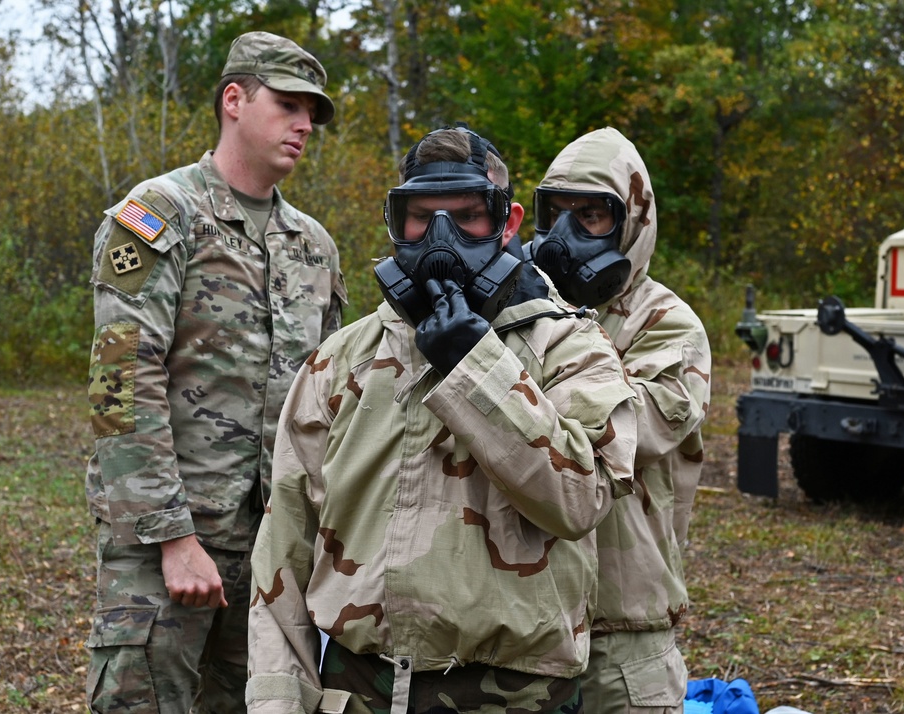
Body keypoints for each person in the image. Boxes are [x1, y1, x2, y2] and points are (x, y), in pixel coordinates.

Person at [246, 125, 639, 714]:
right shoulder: (342, 359)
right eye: (420, 216)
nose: (440, 237)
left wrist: (476, 368)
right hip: (361, 688)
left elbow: (580, 501)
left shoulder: (572, 347)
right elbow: (283, 551)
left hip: (516, 694)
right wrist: (277, 701)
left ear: (506, 225)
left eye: (467, 215)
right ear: (395, 223)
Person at [83, 31, 346, 714]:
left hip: (275, 556)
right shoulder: (159, 216)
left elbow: (332, 401)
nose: (304, 125)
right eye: (288, 105)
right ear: (234, 99)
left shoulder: (313, 246)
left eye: (312, 114)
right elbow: (119, 385)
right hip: (166, 548)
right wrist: (173, 538)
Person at [527, 127, 712, 714]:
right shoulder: (525, 309)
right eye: (554, 214)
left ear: (631, 221)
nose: (563, 236)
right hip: (528, 621)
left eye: (589, 216)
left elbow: (623, 433)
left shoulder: (668, 325)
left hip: (622, 626)